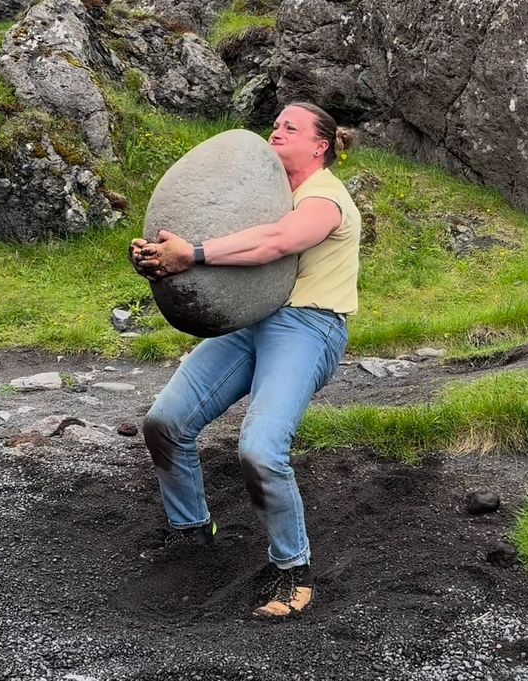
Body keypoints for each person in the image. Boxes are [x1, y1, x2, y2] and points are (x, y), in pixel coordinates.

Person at [129, 102, 361, 618]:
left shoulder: (325, 199)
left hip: (309, 327)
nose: (276, 131)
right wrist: (160, 261)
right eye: (275, 124)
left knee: (261, 449)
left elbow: (275, 243)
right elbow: (235, 249)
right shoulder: (266, 194)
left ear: (320, 145)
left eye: (290, 127)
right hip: (254, 321)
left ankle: (293, 572)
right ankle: (191, 531)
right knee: (165, 423)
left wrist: (193, 255)